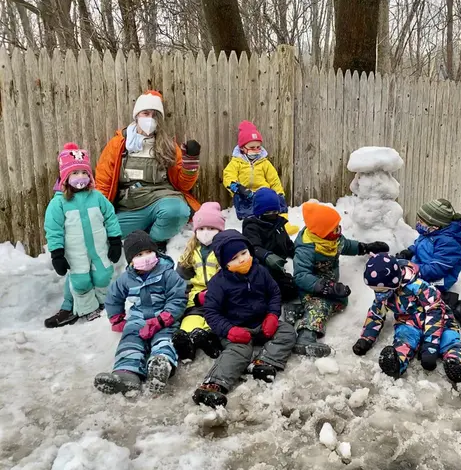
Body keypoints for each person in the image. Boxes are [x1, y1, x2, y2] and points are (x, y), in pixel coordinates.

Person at [192, 230, 297, 408]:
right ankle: (212, 385)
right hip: (236, 330)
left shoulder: (260, 271)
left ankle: (263, 363)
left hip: (262, 323)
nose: (241, 259)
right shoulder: (218, 283)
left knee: (287, 331)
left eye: (243, 253)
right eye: (234, 258)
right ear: (224, 263)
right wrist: (229, 330)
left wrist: (272, 315)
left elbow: (274, 293)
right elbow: (211, 312)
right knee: (238, 352)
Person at [95, 90, 201, 251]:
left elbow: (183, 185)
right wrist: (99, 214)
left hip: (162, 202)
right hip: (129, 207)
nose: (150, 119)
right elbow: (103, 182)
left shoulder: (168, 146)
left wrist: (190, 164)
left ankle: (155, 241)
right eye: (146, 113)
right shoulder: (118, 145)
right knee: (104, 234)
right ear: (137, 116)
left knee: (177, 211)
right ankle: (145, 229)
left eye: (155, 115)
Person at [352, 254, 461, 389]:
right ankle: (396, 362)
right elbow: (376, 314)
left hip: (440, 322)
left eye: (381, 291)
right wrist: (366, 339)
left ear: (394, 282)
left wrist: (430, 346)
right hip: (409, 323)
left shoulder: (418, 287)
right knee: (403, 340)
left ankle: (459, 368)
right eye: (375, 291)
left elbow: (435, 311)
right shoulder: (384, 292)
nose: (379, 294)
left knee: (449, 341)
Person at [94, 230, 186, 395]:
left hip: (163, 318)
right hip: (138, 318)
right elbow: (113, 296)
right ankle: (126, 375)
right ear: (131, 261)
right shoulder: (126, 278)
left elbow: (178, 298)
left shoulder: (168, 274)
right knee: (130, 341)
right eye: (139, 254)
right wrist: (116, 318)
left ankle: (160, 365)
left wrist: (163, 319)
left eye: (149, 252)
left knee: (165, 340)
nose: (146, 257)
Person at [292, 202, 389, 357]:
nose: (339, 230)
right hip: (311, 288)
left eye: (339, 226)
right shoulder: (307, 249)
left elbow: (346, 245)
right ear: (322, 232)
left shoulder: (332, 238)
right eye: (335, 228)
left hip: (328, 284)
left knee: (340, 302)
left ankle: (298, 311)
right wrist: (326, 287)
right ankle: (305, 337)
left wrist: (365, 247)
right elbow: (300, 276)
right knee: (321, 306)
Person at [44, 143, 122, 328]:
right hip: (75, 252)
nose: (81, 177)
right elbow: (53, 229)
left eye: (84, 173)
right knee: (80, 281)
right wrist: (57, 254)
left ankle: (104, 303)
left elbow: (110, 217)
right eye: (75, 173)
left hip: (99, 249)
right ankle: (87, 308)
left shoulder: (97, 197)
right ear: (65, 177)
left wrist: (115, 240)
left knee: (104, 275)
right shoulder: (59, 203)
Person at [396, 199, 461, 329]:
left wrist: (413, 270)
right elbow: (419, 245)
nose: (418, 224)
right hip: (423, 267)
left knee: (418, 293)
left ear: (435, 226)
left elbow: (436, 269)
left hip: (441, 278)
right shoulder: (429, 232)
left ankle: (455, 306)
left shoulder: (448, 243)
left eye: (421, 222)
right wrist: (409, 252)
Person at [222, 120, 299, 234]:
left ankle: (284, 224)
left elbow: (274, 179)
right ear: (243, 148)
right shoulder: (236, 163)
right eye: (252, 147)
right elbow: (228, 176)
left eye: (258, 147)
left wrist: (279, 193)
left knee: (277, 200)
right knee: (247, 206)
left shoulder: (264, 163)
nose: (256, 150)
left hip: (263, 193)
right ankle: (254, 224)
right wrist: (238, 188)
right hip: (246, 195)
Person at [172, 202, 226, 362]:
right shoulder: (190, 252)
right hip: (196, 298)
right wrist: (187, 299)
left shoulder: (225, 250)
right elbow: (180, 281)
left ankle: (208, 339)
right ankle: (186, 345)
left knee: (214, 321)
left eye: (211, 229)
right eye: (201, 229)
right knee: (190, 322)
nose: (205, 233)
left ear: (220, 230)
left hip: (219, 298)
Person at [242, 188, 300, 306]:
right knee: (274, 288)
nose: (273, 215)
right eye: (268, 213)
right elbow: (253, 247)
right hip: (262, 265)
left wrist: (300, 254)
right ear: (259, 212)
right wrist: (267, 256)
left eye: (275, 211)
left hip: (280, 264)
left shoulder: (279, 224)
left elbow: (288, 244)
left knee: (293, 288)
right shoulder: (252, 227)